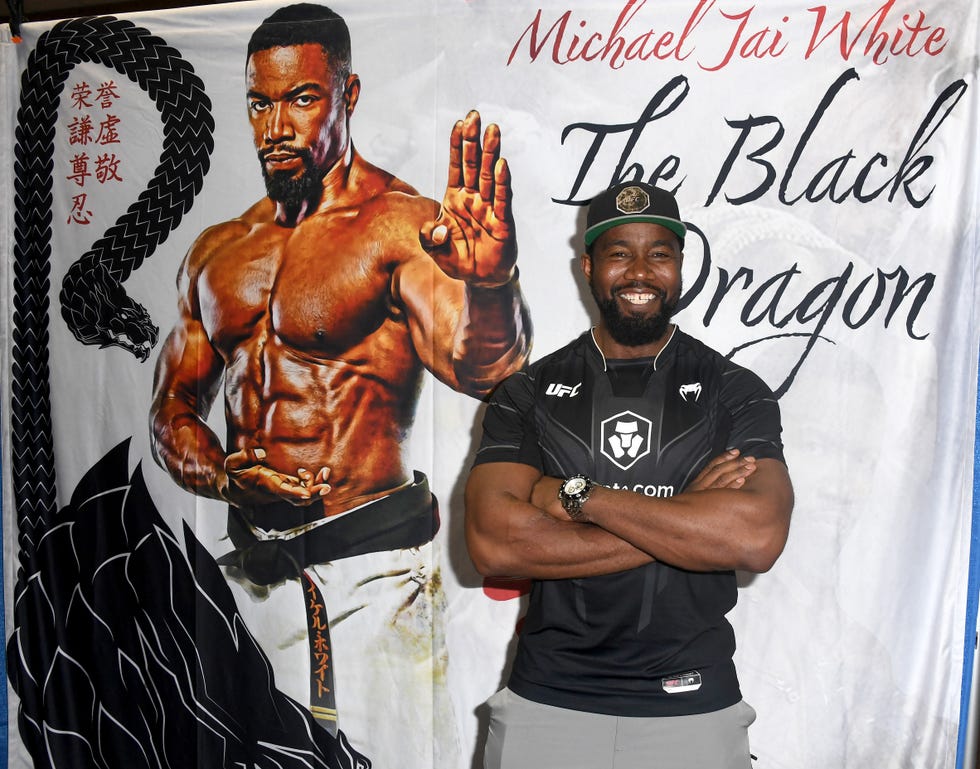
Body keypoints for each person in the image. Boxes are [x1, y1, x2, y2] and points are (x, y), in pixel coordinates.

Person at [148, 3, 530, 766]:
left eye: (301, 98)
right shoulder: (220, 251)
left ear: (348, 95)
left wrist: (489, 287)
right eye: (260, 101)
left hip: (370, 578)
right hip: (248, 575)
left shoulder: (401, 228)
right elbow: (172, 410)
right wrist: (225, 474)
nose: (275, 126)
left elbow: (485, 371)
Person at [465, 181, 793, 769]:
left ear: (680, 266)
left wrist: (577, 497)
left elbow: (754, 538)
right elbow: (495, 543)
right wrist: (687, 516)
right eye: (619, 254)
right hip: (548, 708)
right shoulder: (525, 392)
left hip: (693, 711)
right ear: (588, 266)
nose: (640, 272)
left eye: (659, 254)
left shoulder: (734, 390)